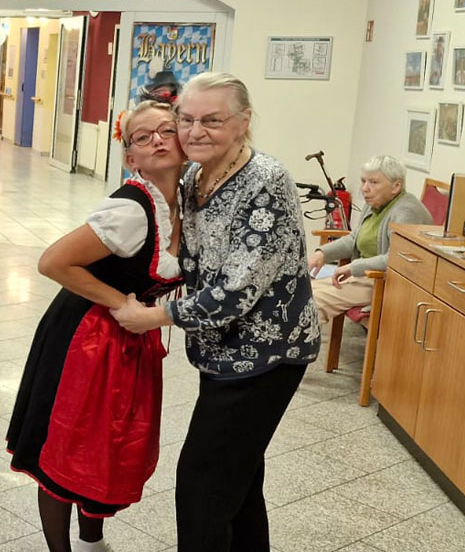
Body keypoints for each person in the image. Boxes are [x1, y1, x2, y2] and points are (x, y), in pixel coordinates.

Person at [112, 72, 319, 552]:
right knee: (239, 479)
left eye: (212, 120)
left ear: (244, 122)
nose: (194, 131)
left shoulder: (264, 181)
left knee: (203, 481)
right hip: (220, 352)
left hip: (265, 355)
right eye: (185, 119)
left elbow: (234, 293)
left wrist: (155, 317)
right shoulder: (193, 175)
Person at [7, 100, 184, 552]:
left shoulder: (186, 201)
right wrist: (124, 304)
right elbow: (52, 262)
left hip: (128, 337)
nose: (159, 140)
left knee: (107, 443)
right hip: (84, 337)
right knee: (67, 442)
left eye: (166, 130)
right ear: (131, 158)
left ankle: (92, 542)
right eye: (143, 137)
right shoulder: (131, 210)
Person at [308, 156, 432, 323]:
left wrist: (354, 266)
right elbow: (354, 238)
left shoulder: (406, 212)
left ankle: (296, 346)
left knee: (312, 303)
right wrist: (322, 253)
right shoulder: (375, 202)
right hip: (363, 276)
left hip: (385, 283)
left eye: (373, 182)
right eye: (363, 181)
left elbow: (397, 259)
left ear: (396, 186)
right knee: (302, 293)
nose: (365, 189)